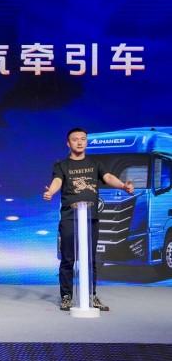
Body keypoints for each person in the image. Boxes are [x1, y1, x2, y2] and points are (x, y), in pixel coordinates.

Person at [43, 127, 134, 311]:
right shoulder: (61, 165)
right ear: (68, 143)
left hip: (90, 217)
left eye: (82, 139)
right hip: (70, 218)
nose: (79, 142)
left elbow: (108, 177)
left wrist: (123, 186)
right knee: (68, 259)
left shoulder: (94, 163)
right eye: (75, 139)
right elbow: (57, 181)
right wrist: (50, 192)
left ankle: (91, 295)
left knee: (90, 259)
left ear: (86, 142)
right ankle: (66, 296)